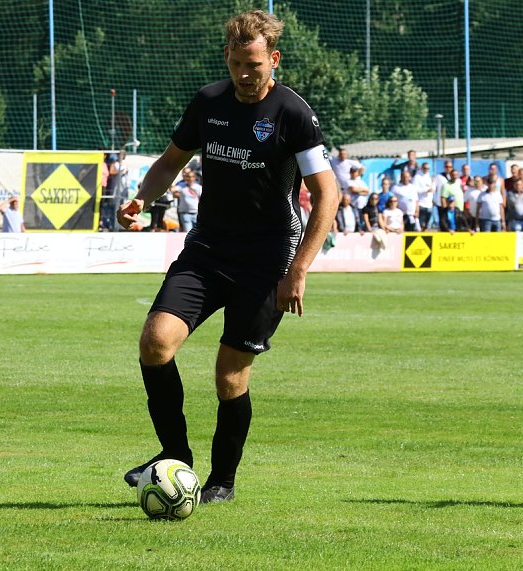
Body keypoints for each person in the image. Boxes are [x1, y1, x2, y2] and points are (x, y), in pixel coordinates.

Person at [115, 10, 338, 505]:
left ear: (273, 60)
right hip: (208, 249)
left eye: (254, 65)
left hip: (267, 260)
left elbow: (327, 195)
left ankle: (223, 481)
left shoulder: (293, 114)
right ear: (226, 57)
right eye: (236, 63)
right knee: (155, 343)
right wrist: (141, 199)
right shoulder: (209, 102)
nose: (244, 74)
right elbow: (172, 161)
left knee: (229, 372)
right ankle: (175, 459)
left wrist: (298, 269)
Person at [171, 168, 202, 232]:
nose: (190, 178)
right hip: (185, 213)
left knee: (197, 232)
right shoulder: (181, 186)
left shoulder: (198, 187)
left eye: (191, 177)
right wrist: (169, 178)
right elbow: (172, 190)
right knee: (188, 232)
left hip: (196, 213)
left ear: (194, 178)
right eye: (188, 177)